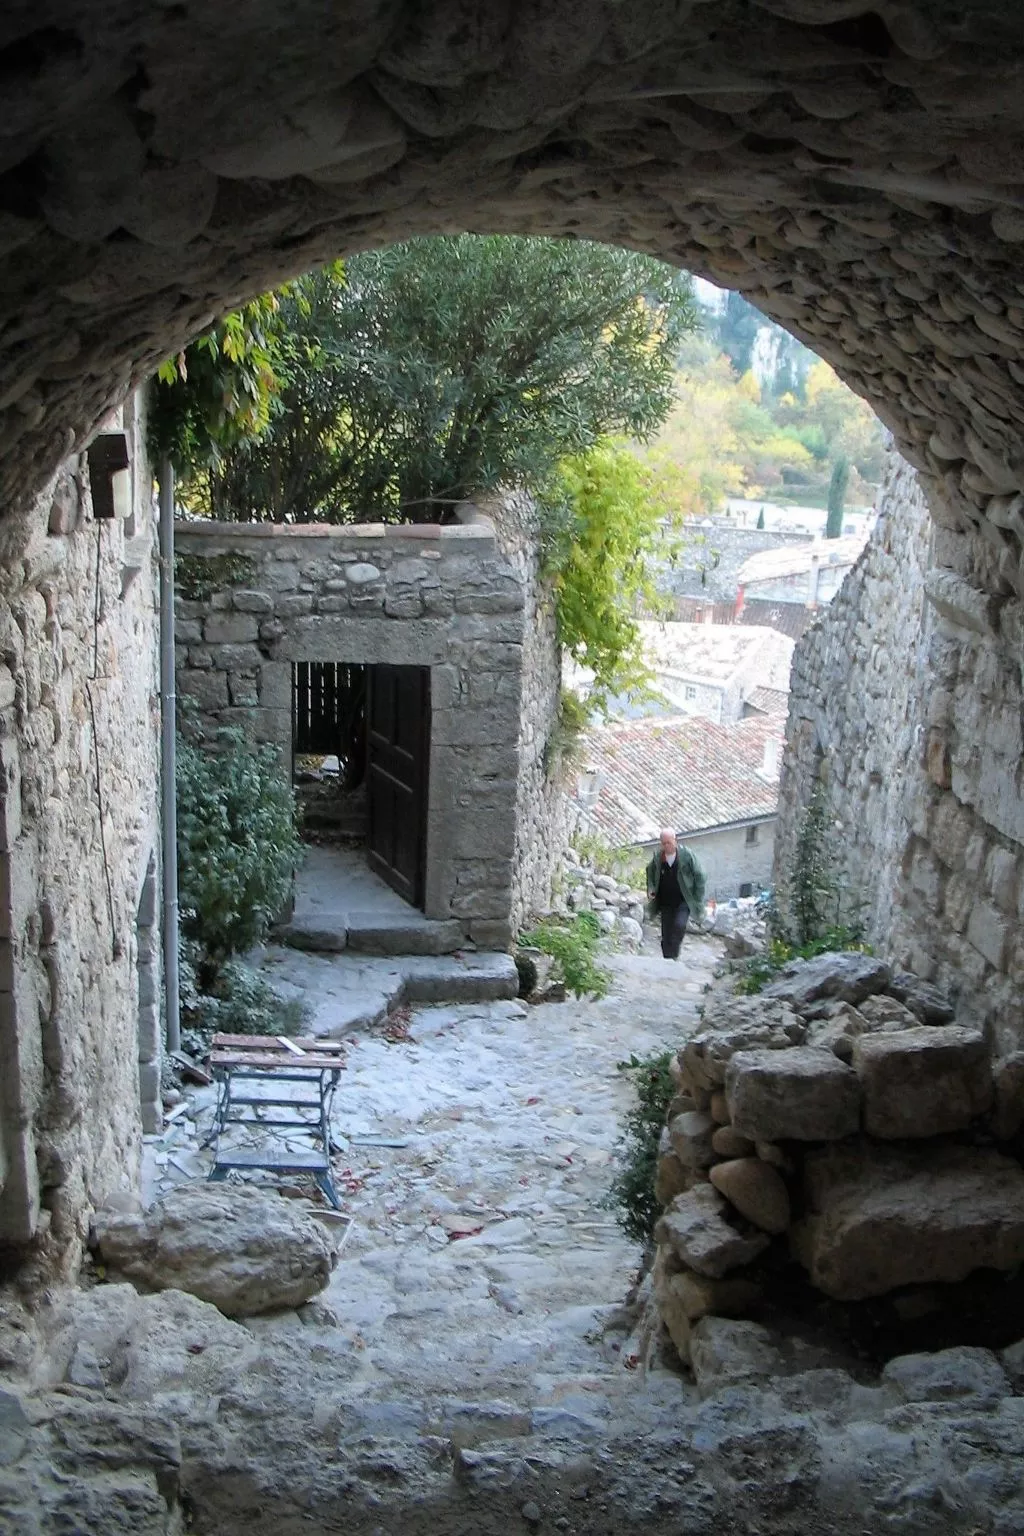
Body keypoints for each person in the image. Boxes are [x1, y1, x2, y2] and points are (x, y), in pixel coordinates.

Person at [646, 828, 706, 961]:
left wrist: (697, 897)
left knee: (679, 925)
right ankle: (667, 960)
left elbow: (700, 875)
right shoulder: (658, 857)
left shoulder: (686, 855)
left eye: (669, 842)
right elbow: (650, 872)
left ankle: (674, 955)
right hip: (665, 902)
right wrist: (651, 888)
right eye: (664, 843)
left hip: (684, 900)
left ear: (675, 840)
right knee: (666, 933)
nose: (666, 845)